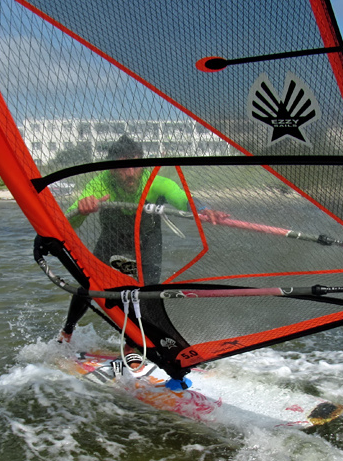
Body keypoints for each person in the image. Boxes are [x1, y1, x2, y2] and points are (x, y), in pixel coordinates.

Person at [59, 134, 226, 346]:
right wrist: (82, 209)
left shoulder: (155, 182)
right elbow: (69, 222)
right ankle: (67, 333)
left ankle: (133, 346)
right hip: (112, 240)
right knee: (88, 285)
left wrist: (203, 209)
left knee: (146, 295)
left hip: (148, 242)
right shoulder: (100, 184)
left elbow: (182, 198)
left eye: (135, 165)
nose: (130, 173)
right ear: (111, 168)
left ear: (142, 163)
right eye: (123, 167)